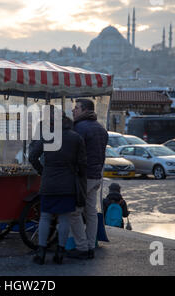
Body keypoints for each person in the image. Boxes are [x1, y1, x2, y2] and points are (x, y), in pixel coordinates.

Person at [29, 113, 87, 265]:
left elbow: (32, 156)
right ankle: (60, 253)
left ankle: (41, 253)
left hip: (49, 183)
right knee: (64, 218)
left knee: (45, 217)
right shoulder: (76, 138)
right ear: (68, 123)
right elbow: (82, 163)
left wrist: (42, 171)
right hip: (68, 184)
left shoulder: (48, 136)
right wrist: (77, 174)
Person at [68, 98, 108, 260]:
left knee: (74, 213)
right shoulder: (101, 129)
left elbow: (74, 154)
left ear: (85, 110)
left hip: (83, 177)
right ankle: (91, 245)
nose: (73, 111)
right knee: (91, 212)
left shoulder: (79, 128)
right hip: (96, 176)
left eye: (76, 108)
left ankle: (82, 247)